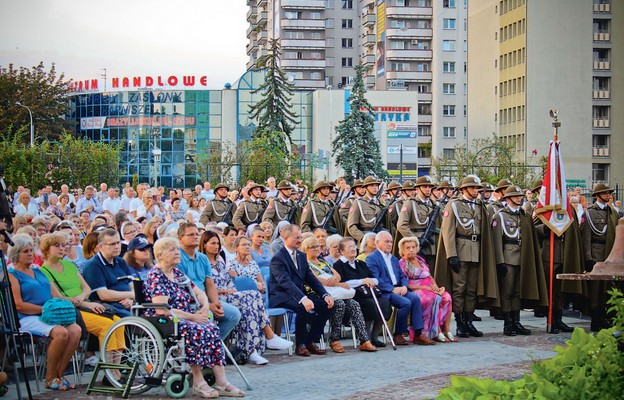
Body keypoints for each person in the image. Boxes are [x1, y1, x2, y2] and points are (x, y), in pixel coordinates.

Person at [142, 237, 245, 398]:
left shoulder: (176, 273)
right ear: (160, 255)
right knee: (196, 329)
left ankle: (221, 381)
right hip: (165, 320)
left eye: (177, 249)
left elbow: (198, 292)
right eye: (172, 250)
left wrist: (204, 307)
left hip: (185, 317)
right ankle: (198, 381)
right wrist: (192, 317)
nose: (177, 253)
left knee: (211, 328)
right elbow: (162, 309)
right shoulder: (156, 275)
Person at [202, 233, 292, 365]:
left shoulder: (220, 263)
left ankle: (253, 350)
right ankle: (268, 338)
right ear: (204, 245)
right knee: (251, 297)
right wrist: (227, 291)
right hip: (216, 298)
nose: (216, 246)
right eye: (212, 243)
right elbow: (207, 287)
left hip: (230, 295)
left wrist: (231, 290)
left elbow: (229, 282)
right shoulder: (203, 262)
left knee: (251, 301)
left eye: (217, 243)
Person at [8, 235, 82, 391]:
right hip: (26, 317)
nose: (30, 253)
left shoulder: (38, 271)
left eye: (31, 250)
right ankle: (49, 378)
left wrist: (60, 306)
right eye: (25, 251)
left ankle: (59, 375)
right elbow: (18, 305)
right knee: (61, 332)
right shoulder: (12, 275)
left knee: (75, 330)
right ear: (15, 254)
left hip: (48, 314)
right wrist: (46, 309)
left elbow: (55, 295)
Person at [38, 232, 125, 365]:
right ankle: (109, 370)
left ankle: (116, 369)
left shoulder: (69, 265)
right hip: (70, 309)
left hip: (84, 303)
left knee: (118, 322)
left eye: (63, 245)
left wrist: (82, 299)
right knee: (106, 325)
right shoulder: (44, 271)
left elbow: (87, 288)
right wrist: (84, 302)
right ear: (46, 249)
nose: (62, 248)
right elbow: (58, 297)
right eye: (57, 245)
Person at [435, 175, 498, 338]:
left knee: (471, 289)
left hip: (476, 250)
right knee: (459, 289)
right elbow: (448, 232)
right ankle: (460, 322)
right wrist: (452, 255)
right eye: (472, 188)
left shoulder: (479, 205)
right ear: (463, 189)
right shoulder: (454, 205)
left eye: (477, 188)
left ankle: (469, 321)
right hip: (460, 250)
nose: (476, 190)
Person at [302, 236, 376, 352]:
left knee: (354, 304)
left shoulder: (323, 261)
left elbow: (337, 276)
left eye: (318, 246)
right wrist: (330, 282)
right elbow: (313, 279)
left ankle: (364, 340)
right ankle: (334, 339)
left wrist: (333, 281)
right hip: (317, 293)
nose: (317, 249)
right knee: (340, 304)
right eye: (313, 247)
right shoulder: (305, 263)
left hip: (333, 291)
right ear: (305, 249)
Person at [269, 225, 334, 357]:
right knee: (302, 307)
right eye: (297, 238)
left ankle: (310, 341)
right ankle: (300, 345)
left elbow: (310, 278)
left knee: (326, 305)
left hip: (299, 294)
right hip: (282, 295)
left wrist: (325, 294)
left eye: (300, 237)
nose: (300, 240)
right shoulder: (278, 258)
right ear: (286, 238)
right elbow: (285, 282)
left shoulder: (300, 255)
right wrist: (302, 298)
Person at [491, 185, 548, 336]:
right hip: (508, 258)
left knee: (517, 292)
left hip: (523, 257)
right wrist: (500, 261)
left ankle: (516, 321)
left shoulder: (524, 215)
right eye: (515, 196)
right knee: (507, 292)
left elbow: (530, 233)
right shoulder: (500, 216)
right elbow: (497, 241)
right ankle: (507, 323)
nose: (519, 198)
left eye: (520, 195)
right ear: (508, 198)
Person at [176, 222, 241, 340]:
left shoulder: (203, 257)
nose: (195, 237)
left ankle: (213, 344)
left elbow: (209, 284)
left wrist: (216, 304)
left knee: (234, 314)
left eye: (197, 234)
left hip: (205, 300)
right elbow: (183, 290)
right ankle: (207, 348)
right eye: (191, 235)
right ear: (180, 239)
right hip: (189, 302)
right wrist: (207, 305)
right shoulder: (177, 258)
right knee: (208, 315)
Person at [366, 231, 433, 345]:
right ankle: (398, 334)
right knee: (405, 303)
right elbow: (376, 279)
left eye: (391, 242)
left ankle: (417, 333)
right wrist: (392, 289)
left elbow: (402, 275)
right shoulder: (372, 258)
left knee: (415, 299)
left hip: (399, 288)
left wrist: (404, 286)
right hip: (385, 291)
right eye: (386, 241)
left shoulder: (393, 259)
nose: (389, 244)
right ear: (377, 242)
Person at [333, 237, 390, 347]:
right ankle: (365, 337)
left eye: (354, 246)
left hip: (368, 293)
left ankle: (374, 336)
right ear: (341, 251)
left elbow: (375, 279)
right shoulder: (338, 265)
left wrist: (370, 281)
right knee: (369, 305)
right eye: (349, 247)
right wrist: (362, 281)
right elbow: (344, 283)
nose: (353, 249)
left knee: (384, 303)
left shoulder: (361, 263)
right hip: (353, 295)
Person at [397, 237, 455, 343]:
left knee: (447, 297)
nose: (411, 250)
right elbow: (406, 284)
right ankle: (435, 331)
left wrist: (436, 287)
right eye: (408, 248)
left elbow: (429, 275)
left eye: (413, 247)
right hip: (416, 290)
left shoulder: (420, 259)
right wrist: (425, 288)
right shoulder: (402, 263)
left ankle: (446, 330)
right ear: (402, 250)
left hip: (429, 288)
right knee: (434, 298)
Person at [582, 183, 619, 331]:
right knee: (596, 289)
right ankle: (595, 319)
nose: (607, 195)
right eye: (604, 193)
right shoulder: (590, 213)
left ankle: (603, 317)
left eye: (608, 193)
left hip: (609, 253)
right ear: (597, 195)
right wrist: (588, 257)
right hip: (596, 252)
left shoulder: (613, 212)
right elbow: (586, 237)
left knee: (607, 288)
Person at [82, 228, 136, 317]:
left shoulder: (121, 261)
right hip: (110, 307)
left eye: (118, 242)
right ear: (100, 246)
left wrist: (132, 300)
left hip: (130, 303)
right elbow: (104, 295)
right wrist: (131, 295)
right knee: (138, 319)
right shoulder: (93, 266)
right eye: (112, 244)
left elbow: (132, 285)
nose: (117, 247)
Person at [347, 177, 385, 243]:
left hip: (380, 240)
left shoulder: (381, 203)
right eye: (372, 185)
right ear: (365, 188)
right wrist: (363, 238)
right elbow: (351, 226)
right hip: (365, 239)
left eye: (376, 185)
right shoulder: (358, 203)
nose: (375, 187)